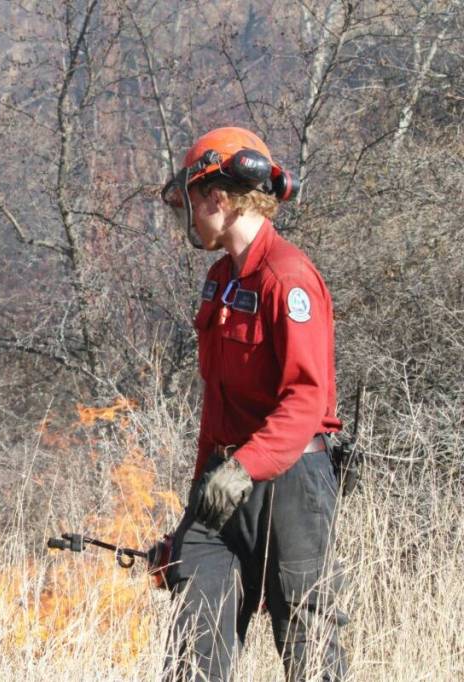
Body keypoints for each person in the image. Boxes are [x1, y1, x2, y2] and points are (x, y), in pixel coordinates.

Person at [158, 127, 347, 681]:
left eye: (192, 201)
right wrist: (198, 498)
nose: (189, 217)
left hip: (290, 484)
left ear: (218, 198)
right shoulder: (219, 280)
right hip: (222, 483)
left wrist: (245, 467)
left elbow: (305, 400)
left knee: (308, 647)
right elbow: (216, 407)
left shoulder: (288, 278)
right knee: (193, 644)